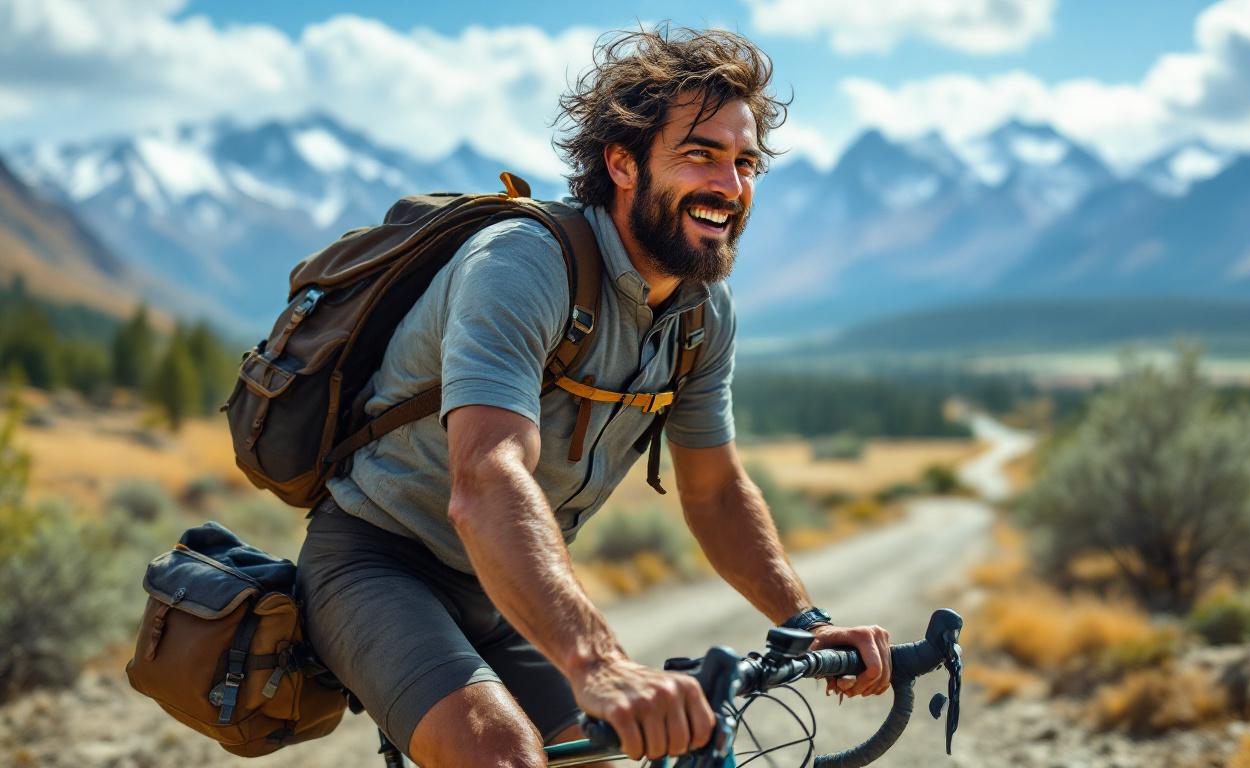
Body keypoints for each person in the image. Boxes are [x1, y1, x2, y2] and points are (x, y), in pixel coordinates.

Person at [297, 26, 893, 767]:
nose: (730, 187)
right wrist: (600, 666)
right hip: (378, 562)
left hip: (508, 587)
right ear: (622, 162)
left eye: (745, 164)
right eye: (700, 154)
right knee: (503, 756)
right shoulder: (523, 264)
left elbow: (714, 492)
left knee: (593, 761)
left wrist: (804, 622)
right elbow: (486, 479)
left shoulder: (703, 313)